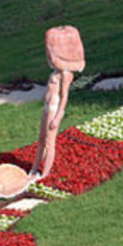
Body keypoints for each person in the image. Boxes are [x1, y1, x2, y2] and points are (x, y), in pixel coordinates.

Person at [27, 25, 85, 182]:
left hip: (54, 108)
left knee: (49, 143)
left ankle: (45, 173)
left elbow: (64, 96)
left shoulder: (66, 74)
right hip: (47, 107)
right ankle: (33, 169)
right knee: (41, 139)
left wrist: (58, 116)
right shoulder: (56, 72)